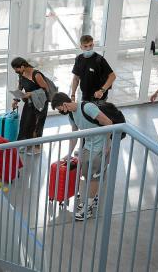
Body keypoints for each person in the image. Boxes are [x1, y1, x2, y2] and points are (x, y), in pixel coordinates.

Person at [51, 92, 113, 221]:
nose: (60, 111)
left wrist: (107, 145)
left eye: (59, 109)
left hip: (101, 146)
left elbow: (108, 122)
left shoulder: (87, 108)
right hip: (88, 146)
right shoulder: (72, 116)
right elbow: (74, 135)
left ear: (64, 104)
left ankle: (88, 208)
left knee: (93, 177)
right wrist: (69, 152)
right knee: (85, 173)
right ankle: (92, 199)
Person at [11, 57, 49, 154]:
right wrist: (16, 99)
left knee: (37, 125)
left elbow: (45, 89)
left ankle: (37, 147)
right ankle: (26, 144)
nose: (16, 71)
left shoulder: (36, 75)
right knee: (26, 123)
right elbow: (20, 87)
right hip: (29, 102)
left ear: (23, 66)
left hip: (40, 103)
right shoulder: (22, 74)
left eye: (17, 69)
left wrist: (31, 93)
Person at [71, 35, 116, 102]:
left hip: (99, 99)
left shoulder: (99, 60)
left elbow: (112, 76)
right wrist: (73, 95)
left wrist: (102, 91)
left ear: (93, 45)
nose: (88, 48)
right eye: (85, 46)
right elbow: (76, 78)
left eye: (90, 45)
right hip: (85, 97)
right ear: (81, 47)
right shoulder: (78, 59)